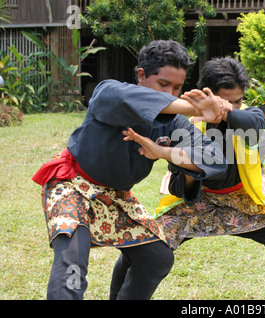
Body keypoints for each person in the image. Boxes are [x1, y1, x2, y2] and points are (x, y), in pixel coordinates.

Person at [110, 57, 265, 300]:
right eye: (224, 100)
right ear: (204, 93)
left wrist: (226, 110)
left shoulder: (247, 116)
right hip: (193, 205)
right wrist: (193, 174)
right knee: (143, 248)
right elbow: (180, 189)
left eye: (237, 100)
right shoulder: (184, 125)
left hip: (240, 202)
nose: (230, 106)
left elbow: (255, 126)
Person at [31, 40, 229, 300]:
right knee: (72, 261)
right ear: (141, 75)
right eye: (163, 84)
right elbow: (130, 99)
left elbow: (215, 158)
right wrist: (196, 107)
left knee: (157, 257)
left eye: (178, 87)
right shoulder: (109, 92)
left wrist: (164, 152)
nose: (170, 93)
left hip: (115, 196)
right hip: (71, 185)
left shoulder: (174, 124)